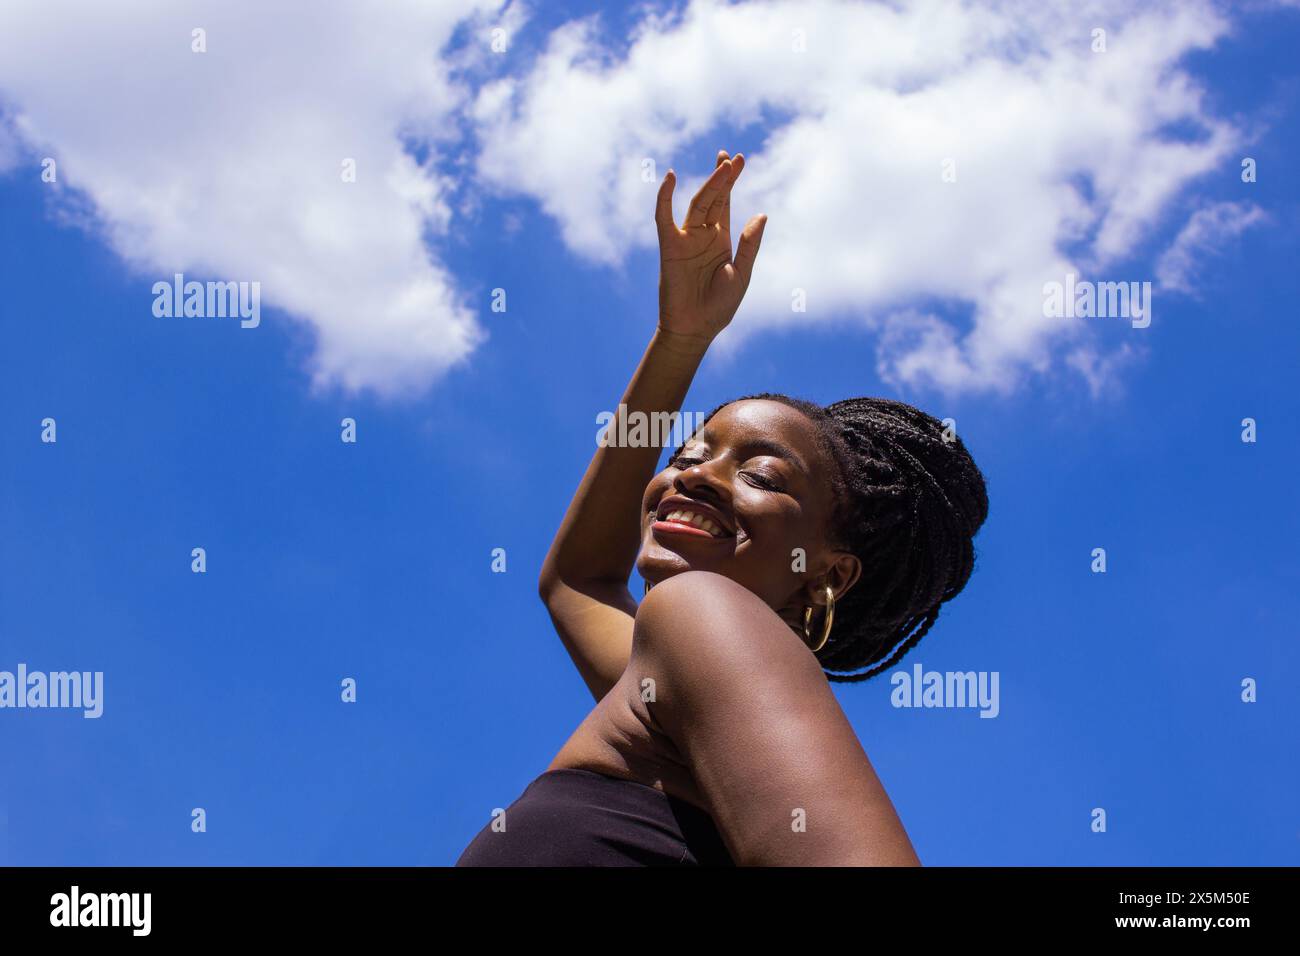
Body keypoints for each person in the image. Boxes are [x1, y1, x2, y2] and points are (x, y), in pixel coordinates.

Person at [457, 150, 988, 866]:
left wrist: (683, 342)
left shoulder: (701, 615)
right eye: (684, 455)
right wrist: (680, 338)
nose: (694, 477)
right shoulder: (680, 687)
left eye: (762, 475)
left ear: (829, 573)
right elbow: (578, 579)